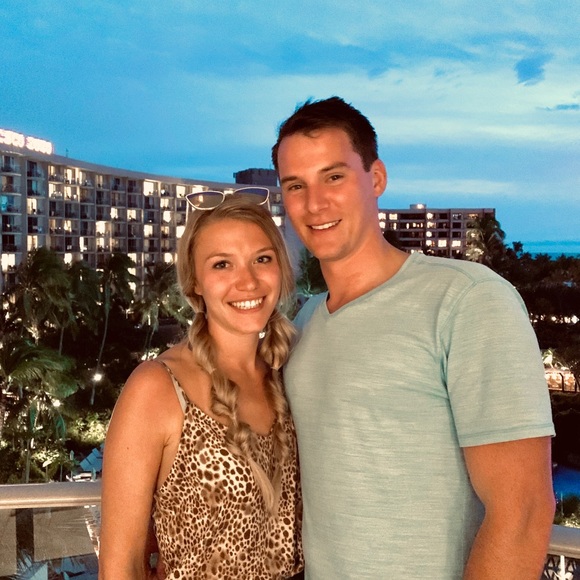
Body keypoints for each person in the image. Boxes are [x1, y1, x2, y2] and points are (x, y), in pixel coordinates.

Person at [271, 97, 555, 579]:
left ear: (376, 178)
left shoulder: (466, 300)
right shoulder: (305, 320)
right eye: (296, 185)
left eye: (334, 177)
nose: (314, 203)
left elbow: (524, 511)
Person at [99, 192, 304, 579]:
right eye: (222, 264)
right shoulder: (157, 387)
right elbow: (120, 565)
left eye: (262, 259)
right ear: (195, 282)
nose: (248, 281)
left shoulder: (289, 372)